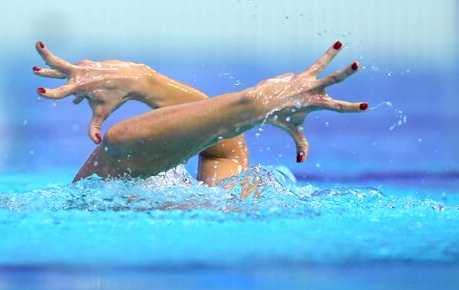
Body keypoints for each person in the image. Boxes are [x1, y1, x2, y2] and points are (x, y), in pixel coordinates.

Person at [33, 41, 367, 185]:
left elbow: (122, 145)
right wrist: (144, 81)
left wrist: (256, 104)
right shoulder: (227, 211)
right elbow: (225, 145)